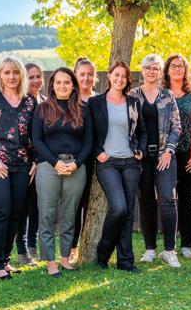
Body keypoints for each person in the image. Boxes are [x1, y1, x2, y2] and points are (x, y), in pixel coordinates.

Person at [0, 56, 37, 279]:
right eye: (7, 72)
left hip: (23, 164)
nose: (11, 77)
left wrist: (35, 161)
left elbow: (35, 133)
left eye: (15, 72)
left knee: (15, 212)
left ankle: (5, 259)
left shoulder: (29, 101)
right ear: (0, 75)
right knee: (1, 209)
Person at [33, 67, 93, 277]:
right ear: (52, 85)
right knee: (47, 214)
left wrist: (77, 164)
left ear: (73, 85)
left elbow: (89, 142)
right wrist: (54, 162)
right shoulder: (43, 108)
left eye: (66, 82)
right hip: (48, 166)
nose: (62, 86)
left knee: (70, 214)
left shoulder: (83, 109)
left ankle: (65, 258)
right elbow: (37, 140)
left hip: (76, 167)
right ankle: (50, 261)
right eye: (58, 82)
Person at [88, 61, 146, 273]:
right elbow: (89, 133)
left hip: (131, 162)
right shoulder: (95, 103)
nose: (120, 79)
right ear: (110, 76)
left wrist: (140, 149)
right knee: (119, 208)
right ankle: (103, 252)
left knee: (128, 212)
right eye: (116, 75)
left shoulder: (133, 103)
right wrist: (97, 152)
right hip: (108, 162)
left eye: (124, 76)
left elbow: (142, 132)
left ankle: (126, 261)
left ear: (127, 80)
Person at [131, 54, 182, 267]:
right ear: (142, 71)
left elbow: (176, 127)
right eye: (148, 68)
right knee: (145, 201)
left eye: (156, 68)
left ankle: (170, 250)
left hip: (164, 157)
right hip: (142, 158)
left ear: (160, 72)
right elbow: (128, 126)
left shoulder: (168, 96)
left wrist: (169, 151)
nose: (152, 72)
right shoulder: (133, 95)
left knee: (168, 200)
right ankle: (150, 249)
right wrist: (134, 149)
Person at [163, 54, 191, 259]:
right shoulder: (160, 95)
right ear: (167, 70)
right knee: (168, 198)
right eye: (173, 66)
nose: (177, 69)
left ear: (186, 71)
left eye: (181, 66)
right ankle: (169, 244)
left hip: (188, 152)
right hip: (166, 153)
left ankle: (186, 244)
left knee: (186, 197)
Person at [15, 63, 46, 266]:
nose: (35, 81)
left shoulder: (45, 101)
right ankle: (22, 250)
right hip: (25, 162)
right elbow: (23, 135)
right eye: (31, 77)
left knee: (37, 206)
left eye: (38, 76)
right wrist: (32, 160)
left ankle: (33, 247)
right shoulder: (22, 102)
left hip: (43, 161)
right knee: (23, 207)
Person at [70, 57, 99, 263]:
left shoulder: (99, 100)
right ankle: (72, 248)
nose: (86, 78)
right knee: (75, 204)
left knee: (91, 203)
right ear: (75, 76)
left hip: (97, 159)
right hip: (76, 159)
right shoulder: (70, 100)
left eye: (90, 74)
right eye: (82, 74)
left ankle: (88, 246)